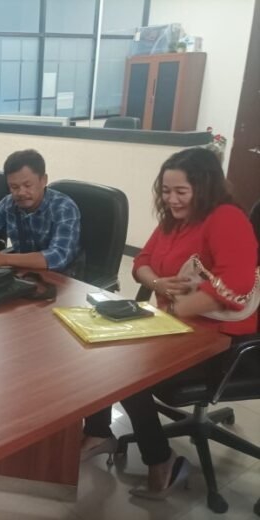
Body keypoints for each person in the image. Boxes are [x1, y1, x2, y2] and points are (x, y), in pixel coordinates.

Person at [82, 147, 259, 499]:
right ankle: (100, 431)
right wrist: (158, 284)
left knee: (123, 369)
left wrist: (181, 308)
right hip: (174, 325)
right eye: (166, 191)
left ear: (204, 187)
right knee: (97, 345)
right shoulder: (175, 220)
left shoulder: (226, 218)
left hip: (220, 338)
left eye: (181, 191)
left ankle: (161, 460)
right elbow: (141, 263)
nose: (171, 199)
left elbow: (237, 284)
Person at [0, 149, 80, 271]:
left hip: (62, 276)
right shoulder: (9, 203)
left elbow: (58, 257)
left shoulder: (64, 208)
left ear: (43, 180)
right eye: (14, 187)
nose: (21, 193)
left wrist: (3, 258)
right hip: (24, 271)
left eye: (27, 185)